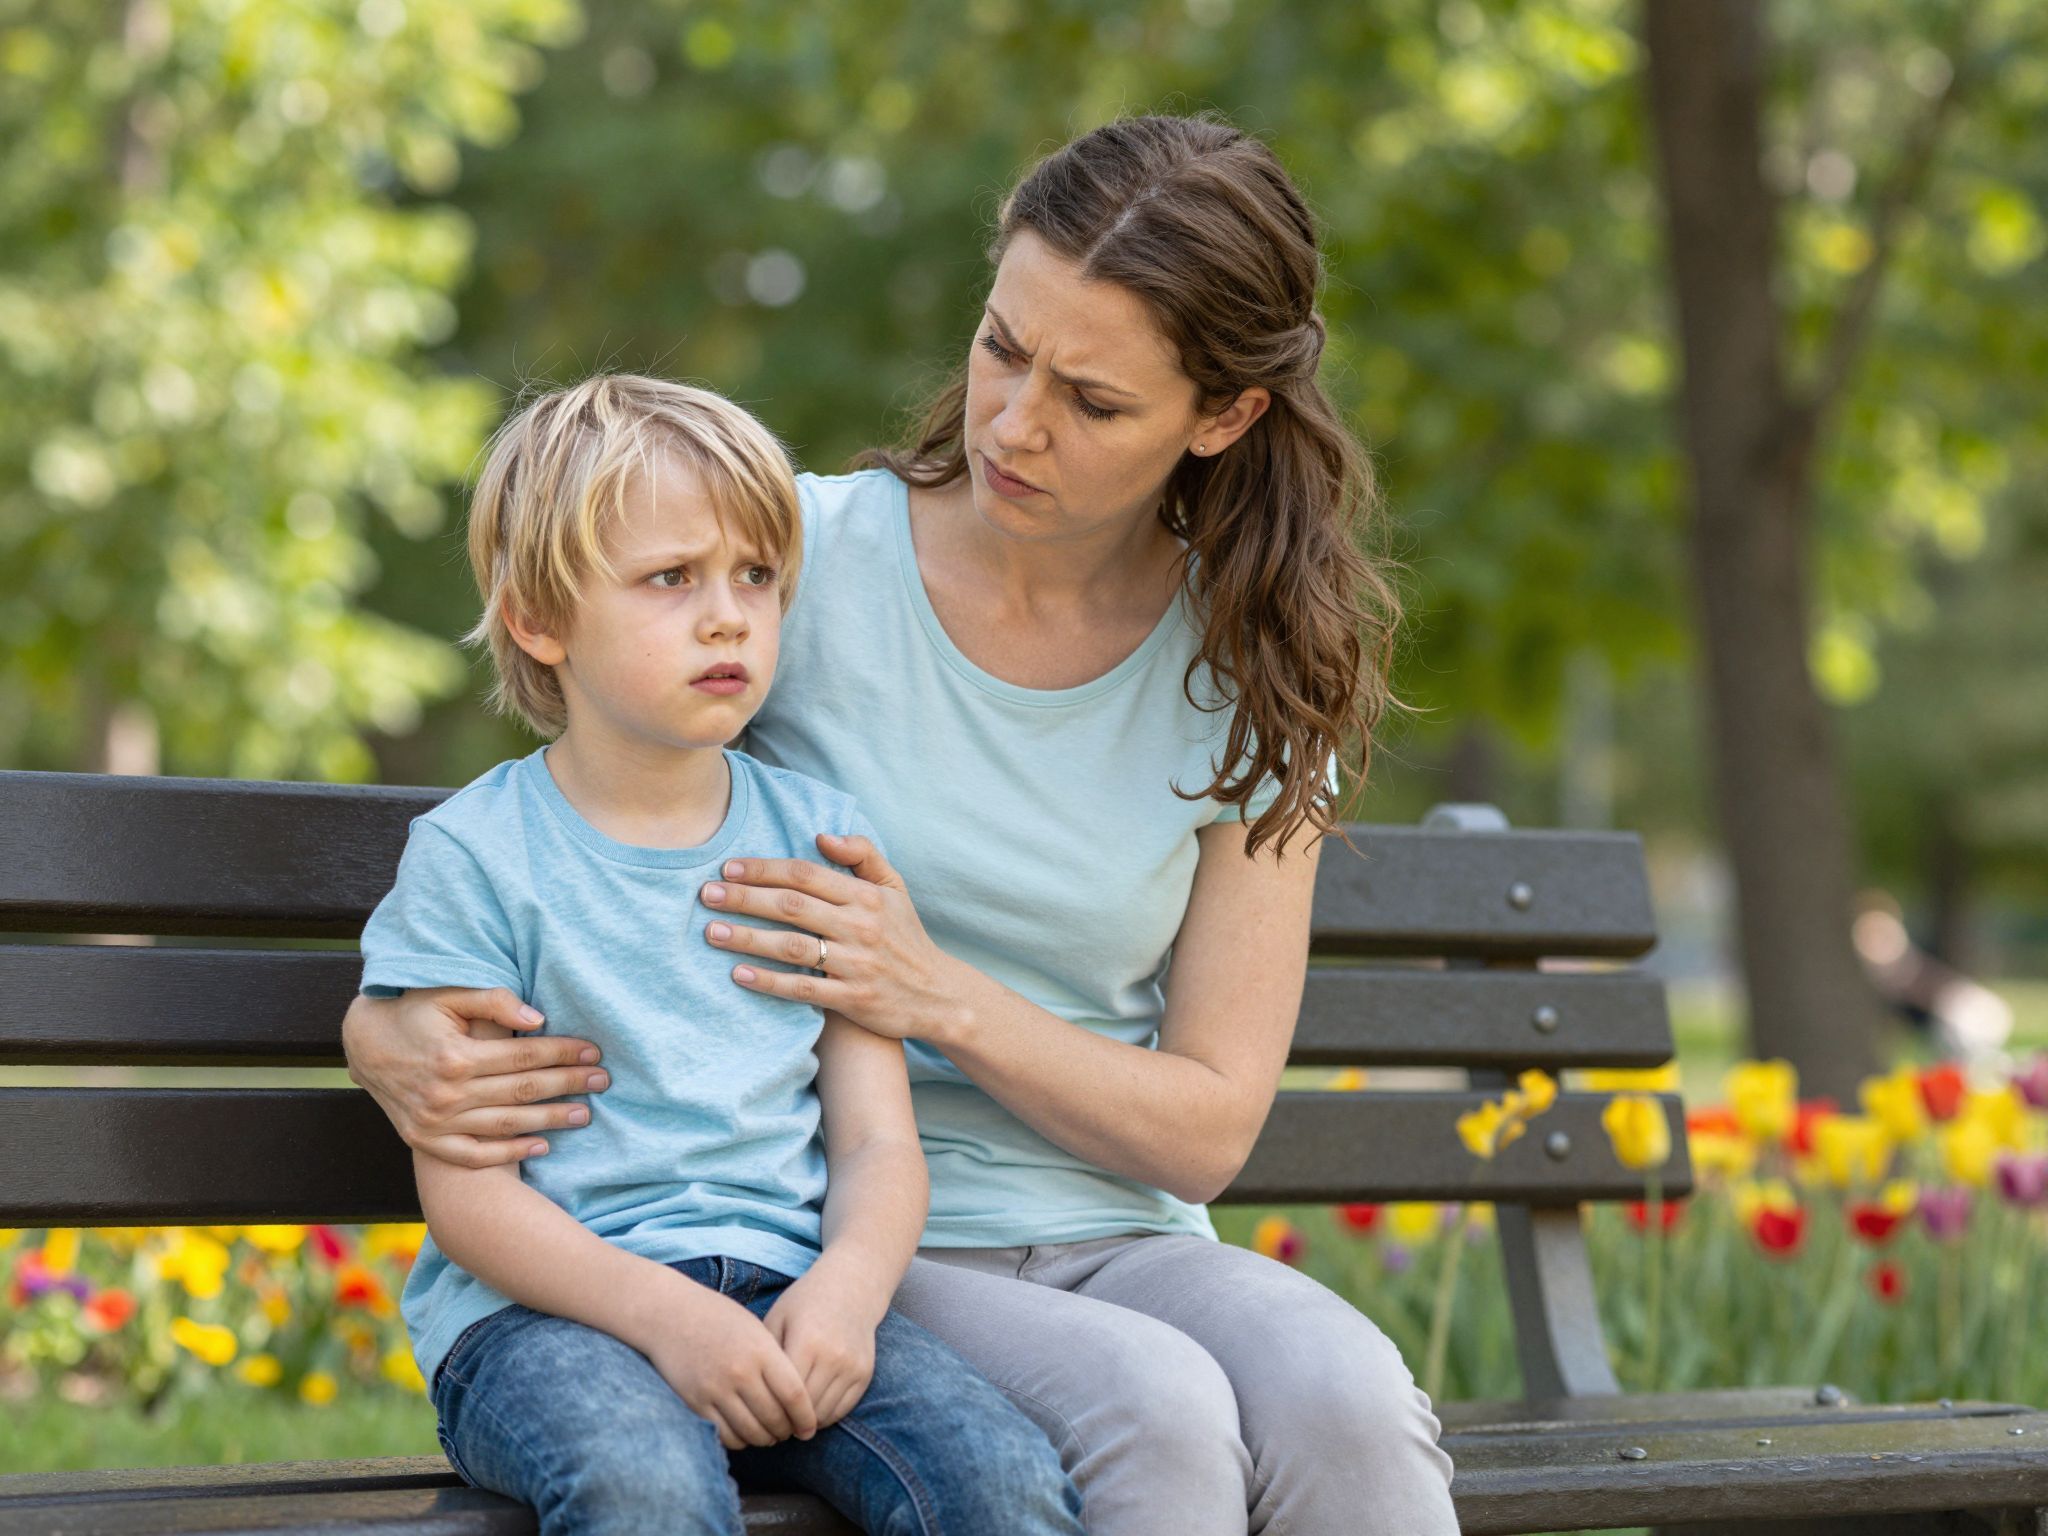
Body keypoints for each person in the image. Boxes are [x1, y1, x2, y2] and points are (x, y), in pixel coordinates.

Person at [346, 115, 1460, 1535]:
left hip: (1125, 1235)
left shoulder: (1257, 667)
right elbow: (586, 817)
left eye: (1091, 400)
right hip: (833, 1231)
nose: (1012, 423)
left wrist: (931, 991)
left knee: (1350, 1401)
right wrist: (381, 1030)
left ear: (1222, 417)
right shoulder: (788, 570)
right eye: (1002, 348)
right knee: (1161, 1411)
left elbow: (1206, 1131)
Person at [357, 373, 1084, 1536]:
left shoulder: (817, 840)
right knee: (643, 1484)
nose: (727, 616)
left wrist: (845, 1295)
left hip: (793, 1293)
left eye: (755, 576)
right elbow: (469, 1200)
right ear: (539, 619)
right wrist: (667, 1317)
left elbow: (876, 1140)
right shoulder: (477, 857)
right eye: (670, 579)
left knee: (998, 1478)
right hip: (544, 1322)